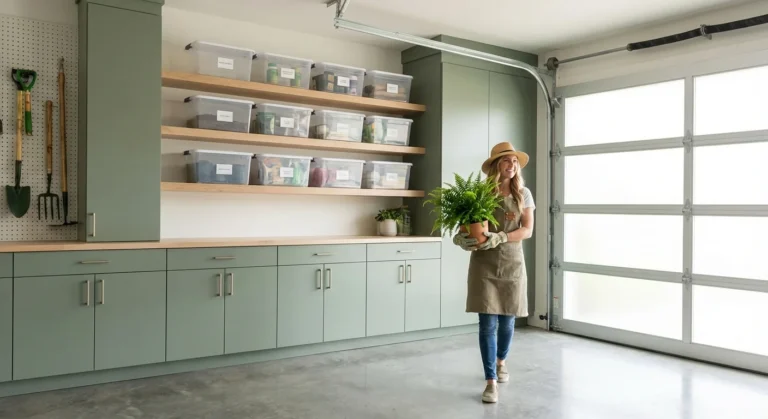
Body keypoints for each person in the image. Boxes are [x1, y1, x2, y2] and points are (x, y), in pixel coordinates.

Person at [453, 142, 535, 404]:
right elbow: (463, 228)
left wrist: (500, 236)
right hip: (483, 264)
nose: (511, 165)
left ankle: (501, 361)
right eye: (505, 161)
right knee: (487, 323)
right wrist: (460, 239)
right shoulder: (479, 194)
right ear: (495, 166)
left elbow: (527, 230)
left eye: (514, 161)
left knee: (507, 321)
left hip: (512, 262)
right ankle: (490, 381)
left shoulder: (524, 194)